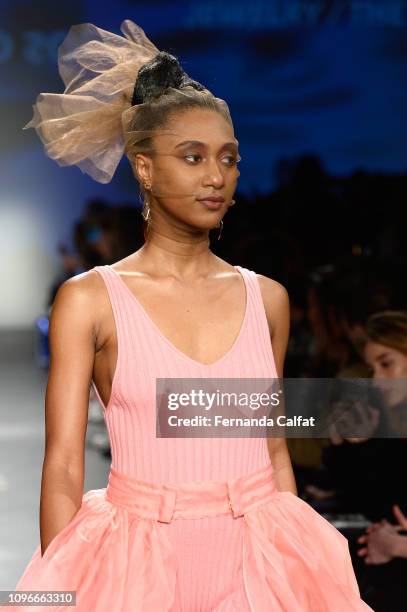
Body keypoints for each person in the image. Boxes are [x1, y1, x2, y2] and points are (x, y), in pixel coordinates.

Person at [9, 19, 373, 611]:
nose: (216, 176)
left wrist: (295, 563)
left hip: (258, 558)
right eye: (193, 156)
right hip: (138, 563)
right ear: (145, 168)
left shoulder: (267, 298)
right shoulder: (91, 298)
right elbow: (64, 466)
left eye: (228, 158)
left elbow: (272, 447)